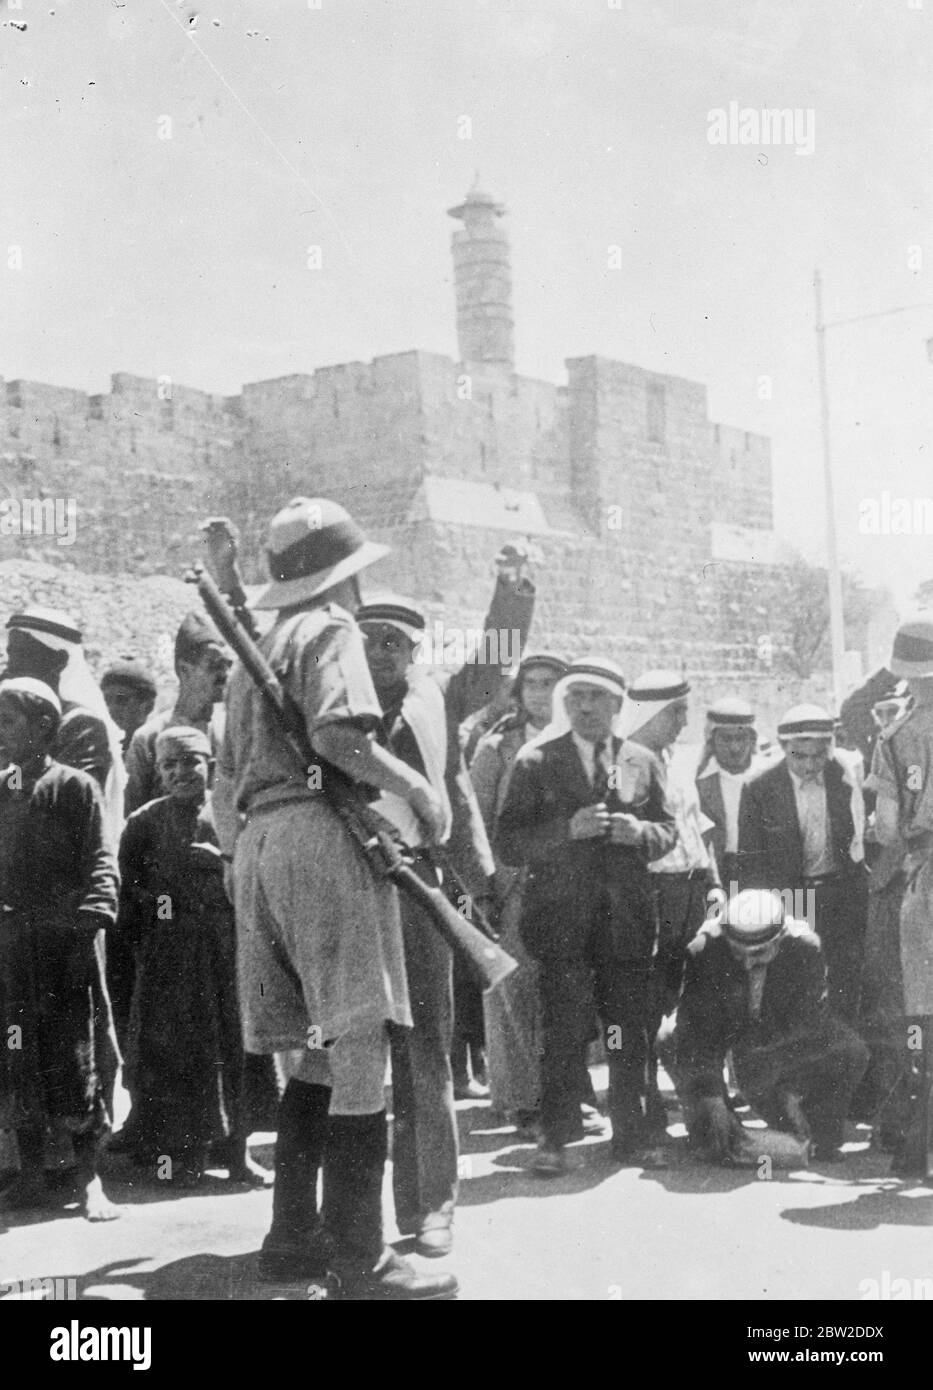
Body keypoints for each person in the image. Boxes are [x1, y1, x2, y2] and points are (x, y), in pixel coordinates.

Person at [213, 496, 457, 1300]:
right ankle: (360, 1256)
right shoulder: (328, 630)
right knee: (356, 1048)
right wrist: (418, 789)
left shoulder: (258, 644)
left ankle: (291, 1242)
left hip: (256, 841)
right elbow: (336, 735)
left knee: (312, 1056)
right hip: (319, 836)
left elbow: (223, 782)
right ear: (343, 576)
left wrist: (242, 858)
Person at [497, 657, 677, 1175]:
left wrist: (640, 834)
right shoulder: (536, 761)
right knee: (564, 1030)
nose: (586, 707)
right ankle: (555, 1137)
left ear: (618, 706)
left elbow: (669, 829)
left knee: (627, 1030)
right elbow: (508, 843)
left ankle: (631, 1136)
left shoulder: (641, 759)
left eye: (598, 698)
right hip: (562, 926)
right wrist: (564, 831)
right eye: (576, 697)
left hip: (625, 924)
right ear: (565, 704)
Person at [117, 726, 271, 1187]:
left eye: (191, 762)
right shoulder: (143, 823)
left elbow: (256, 877)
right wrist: (169, 903)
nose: (181, 773)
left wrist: (222, 867)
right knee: (180, 1055)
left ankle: (239, 1154)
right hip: (171, 962)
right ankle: (185, 1157)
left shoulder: (232, 815)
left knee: (236, 1049)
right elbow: (131, 894)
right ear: (159, 772)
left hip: (228, 951)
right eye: (170, 765)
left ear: (210, 763)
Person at [0, 678, 120, 1220]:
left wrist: (92, 919)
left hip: (67, 946)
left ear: (45, 727)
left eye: (10, 719)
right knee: (18, 1057)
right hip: (12, 949)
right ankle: (28, 1177)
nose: (0, 732)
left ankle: (89, 1180)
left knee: (78, 1058)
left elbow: (100, 857)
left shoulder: (73, 786)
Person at [658, 889, 868, 1163]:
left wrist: (791, 1092)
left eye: (758, 953)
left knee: (851, 1048)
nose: (747, 962)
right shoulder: (704, 950)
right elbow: (696, 1033)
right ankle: (709, 1127)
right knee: (668, 1036)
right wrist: (710, 1096)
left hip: (773, 1048)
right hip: (725, 1032)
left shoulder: (806, 948)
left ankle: (816, 1128)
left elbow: (809, 1025)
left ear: (781, 938)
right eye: (738, 951)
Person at [470, 652, 572, 1138]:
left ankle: (564, 1096)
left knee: (564, 990)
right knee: (513, 987)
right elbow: (475, 823)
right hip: (513, 883)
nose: (539, 692)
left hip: (570, 884)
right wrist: (484, 888)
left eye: (550, 683)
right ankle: (520, 1101)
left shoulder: (581, 745)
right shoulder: (496, 749)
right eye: (530, 683)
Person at [623, 671, 719, 1136]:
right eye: (677, 711)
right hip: (650, 894)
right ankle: (644, 1113)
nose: (685, 720)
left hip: (690, 890)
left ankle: (686, 1101)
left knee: (678, 999)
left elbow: (698, 828)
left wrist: (713, 883)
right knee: (643, 1004)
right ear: (654, 711)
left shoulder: (680, 761)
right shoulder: (626, 762)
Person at [737, 704, 868, 1026]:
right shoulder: (759, 787)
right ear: (784, 750)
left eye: (818, 756)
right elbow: (750, 861)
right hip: (792, 898)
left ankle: (841, 1058)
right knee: (794, 982)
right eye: (800, 757)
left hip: (840, 893)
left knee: (845, 983)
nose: (810, 765)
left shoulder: (845, 776)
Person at [870, 616, 933, 1179]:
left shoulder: (894, 738)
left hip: (924, 885)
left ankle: (921, 1139)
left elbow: (886, 830)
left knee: (922, 1013)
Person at [124, 612, 231, 816]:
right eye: (215, 665)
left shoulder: (229, 731)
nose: (224, 674)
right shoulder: (148, 739)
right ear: (184, 670)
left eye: (228, 665)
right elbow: (131, 813)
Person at [696, 696, 760, 890]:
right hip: (716, 877)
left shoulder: (767, 778)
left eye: (741, 738)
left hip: (760, 873)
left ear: (752, 738)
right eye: (726, 738)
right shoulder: (699, 782)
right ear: (712, 740)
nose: (735, 747)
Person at [101, 660, 158, 752]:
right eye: (107, 701)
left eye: (122, 700)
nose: (111, 708)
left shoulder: (158, 749)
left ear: (147, 707)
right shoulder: (105, 749)